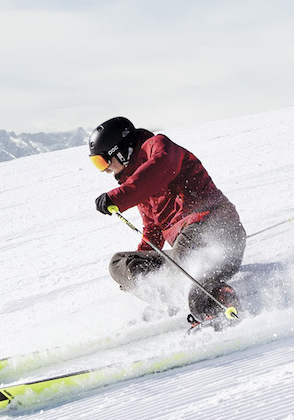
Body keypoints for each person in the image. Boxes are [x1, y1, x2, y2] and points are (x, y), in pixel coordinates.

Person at [88, 115, 245, 325]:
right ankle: (178, 302)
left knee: (186, 262)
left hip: (214, 228)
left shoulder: (159, 147)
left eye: (102, 160)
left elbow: (162, 166)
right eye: (96, 163)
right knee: (120, 263)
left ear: (121, 151)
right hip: (185, 249)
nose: (104, 169)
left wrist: (118, 196)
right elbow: (152, 230)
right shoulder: (137, 180)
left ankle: (216, 306)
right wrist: (139, 277)